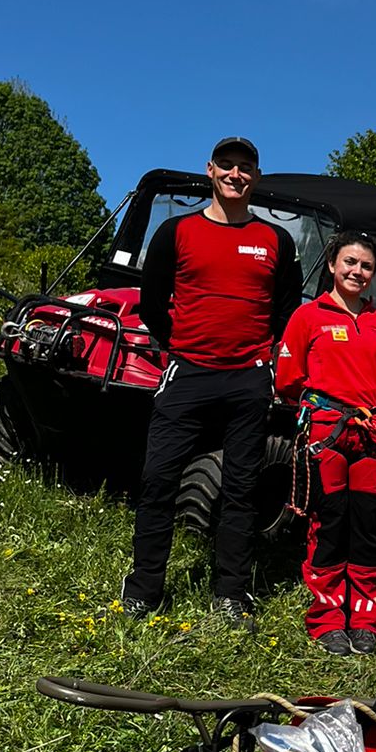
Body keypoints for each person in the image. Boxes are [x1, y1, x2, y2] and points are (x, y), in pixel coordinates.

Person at [122, 136, 302, 628]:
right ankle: (144, 590)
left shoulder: (275, 240)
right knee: (158, 480)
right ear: (210, 170)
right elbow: (152, 301)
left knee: (240, 490)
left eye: (245, 167)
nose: (235, 174)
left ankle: (231, 594)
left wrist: (264, 358)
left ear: (255, 177)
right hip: (188, 374)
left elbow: (287, 308)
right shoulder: (177, 231)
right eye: (227, 165)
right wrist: (180, 346)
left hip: (248, 380)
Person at [275, 230, 376, 656]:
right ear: (331, 265)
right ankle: (327, 619)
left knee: (366, 526)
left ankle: (364, 618)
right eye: (349, 262)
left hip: (372, 436)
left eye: (366, 265)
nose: (357, 271)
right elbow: (287, 380)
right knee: (328, 525)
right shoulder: (308, 316)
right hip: (326, 435)